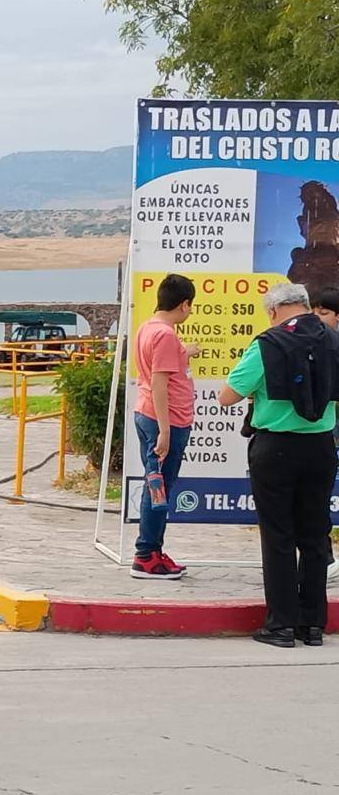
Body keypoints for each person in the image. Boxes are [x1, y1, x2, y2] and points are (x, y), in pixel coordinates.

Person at [219, 283, 339, 648]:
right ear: (305, 305)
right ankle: (313, 625)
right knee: (316, 535)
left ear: (272, 311)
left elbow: (227, 396)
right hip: (321, 446)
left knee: (278, 536)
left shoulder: (268, 344)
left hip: (277, 448)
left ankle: (281, 626)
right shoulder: (334, 340)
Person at [131, 273, 198, 580]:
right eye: (190, 305)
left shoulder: (149, 328)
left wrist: (186, 352)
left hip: (148, 415)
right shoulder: (167, 335)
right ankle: (146, 554)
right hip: (164, 419)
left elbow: (159, 365)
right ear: (184, 305)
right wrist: (166, 430)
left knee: (156, 483)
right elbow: (160, 383)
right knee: (158, 488)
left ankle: (153, 550)